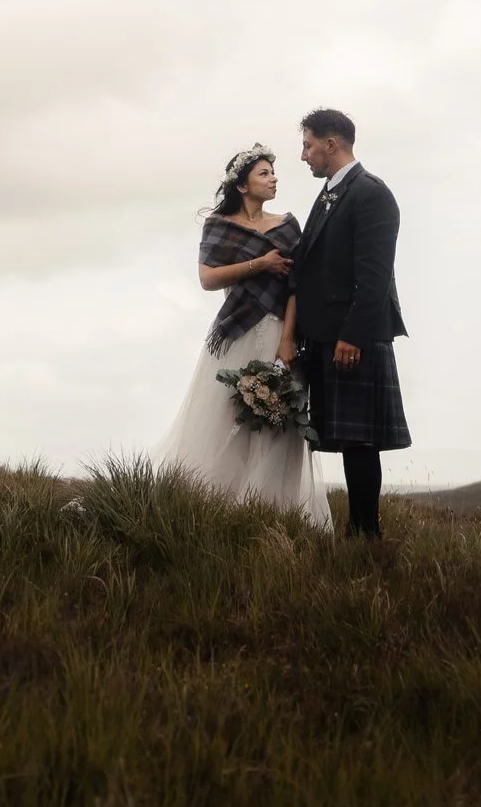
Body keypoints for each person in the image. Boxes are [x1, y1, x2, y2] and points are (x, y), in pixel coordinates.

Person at [153, 145, 334, 529]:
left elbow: (296, 287)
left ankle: (273, 515)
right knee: (223, 417)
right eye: (264, 174)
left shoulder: (288, 225)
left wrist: (288, 339)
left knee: (278, 421)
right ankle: (212, 510)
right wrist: (261, 263)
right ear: (242, 185)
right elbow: (207, 279)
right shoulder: (219, 226)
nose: (273, 179)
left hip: (278, 335)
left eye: (273, 173)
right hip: (235, 331)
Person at [290, 108, 409, 539]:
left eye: (307, 145)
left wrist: (352, 336)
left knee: (360, 441)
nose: (303, 156)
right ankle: (356, 530)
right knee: (348, 439)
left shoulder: (371, 194)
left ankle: (366, 532)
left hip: (354, 336)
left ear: (331, 144)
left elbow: (375, 277)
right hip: (329, 336)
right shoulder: (330, 195)